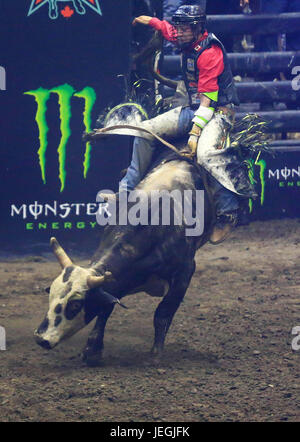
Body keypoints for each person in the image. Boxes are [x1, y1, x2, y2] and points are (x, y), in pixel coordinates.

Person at [102, 4, 256, 244]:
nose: (179, 33)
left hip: (217, 112)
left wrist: (194, 135)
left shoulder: (209, 53)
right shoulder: (185, 38)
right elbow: (167, 30)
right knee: (144, 131)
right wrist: (150, 21)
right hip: (193, 108)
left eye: (185, 29)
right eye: (179, 28)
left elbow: (208, 99)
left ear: (197, 29)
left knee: (206, 154)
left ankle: (227, 212)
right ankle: (126, 193)